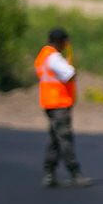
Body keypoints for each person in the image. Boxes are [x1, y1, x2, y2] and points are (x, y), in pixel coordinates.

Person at [35, 27, 90, 189]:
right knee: (65, 139)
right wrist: (70, 63)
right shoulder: (54, 57)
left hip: (49, 102)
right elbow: (69, 74)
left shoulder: (43, 55)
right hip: (59, 103)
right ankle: (75, 173)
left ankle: (49, 173)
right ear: (61, 42)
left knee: (54, 140)